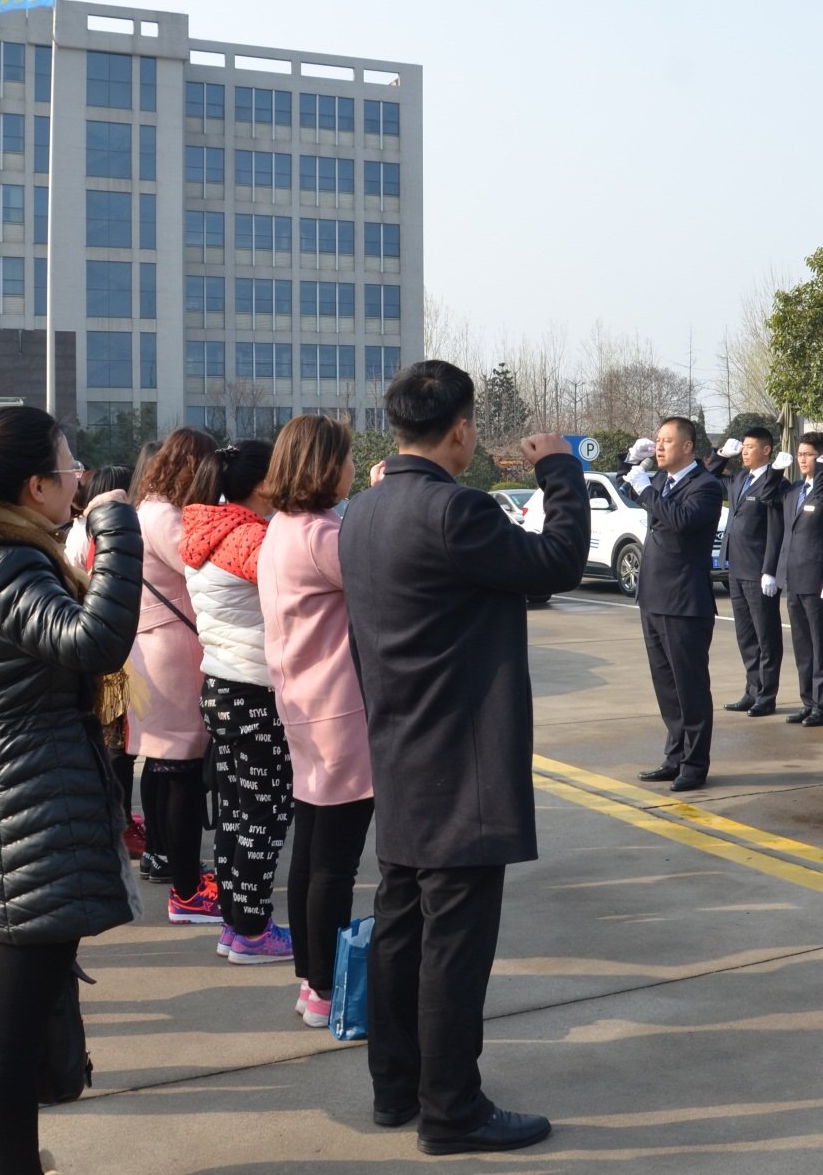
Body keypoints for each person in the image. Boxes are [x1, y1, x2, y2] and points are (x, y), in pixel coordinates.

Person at [340, 360, 588, 1155]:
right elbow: (554, 561)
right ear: (458, 429)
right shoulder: (455, 511)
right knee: (453, 941)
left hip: (401, 743)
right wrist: (558, 467)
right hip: (460, 756)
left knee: (400, 924)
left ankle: (395, 1087)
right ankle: (451, 1109)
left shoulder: (363, 511)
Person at [0, 407, 142, 1175]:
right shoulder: (8, 566)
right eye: (70, 464)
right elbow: (95, 639)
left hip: (11, 816)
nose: (81, 476)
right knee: (6, 1041)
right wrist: (118, 531)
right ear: (35, 485)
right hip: (32, 824)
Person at [258, 416, 376, 1026]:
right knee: (334, 863)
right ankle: (329, 988)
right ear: (325, 468)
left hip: (303, 708)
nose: (354, 467)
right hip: (342, 714)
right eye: (349, 458)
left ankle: (311, 979)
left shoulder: (281, 527)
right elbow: (382, 583)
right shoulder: (323, 536)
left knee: (309, 855)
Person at [182, 440, 296, 964]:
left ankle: (235, 921)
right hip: (255, 693)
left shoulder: (210, 530)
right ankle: (253, 929)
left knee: (233, 811)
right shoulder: (251, 539)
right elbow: (296, 585)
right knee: (262, 815)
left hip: (222, 687)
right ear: (263, 483)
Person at [129, 428, 221, 923]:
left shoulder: (146, 510)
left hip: (152, 648)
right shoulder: (165, 519)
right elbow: (202, 566)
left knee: (165, 769)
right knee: (182, 771)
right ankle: (188, 890)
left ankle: (175, 866)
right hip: (172, 650)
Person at [629, 416, 727, 793]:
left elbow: (681, 521)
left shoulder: (704, 485)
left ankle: (695, 764)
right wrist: (631, 465)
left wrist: (647, 490)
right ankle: (674, 757)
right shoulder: (662, 481)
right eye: (657, 440)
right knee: (667, 687)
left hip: (685, 602)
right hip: (653, 596)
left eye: (666, 441)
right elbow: (636, 484)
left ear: (688, 446)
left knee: (690, 688)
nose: (659, 447)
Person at [68, 464, 140, 853]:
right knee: (116, 745)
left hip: (108, 652)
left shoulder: (81, 533)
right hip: (108, 655)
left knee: (116, 743)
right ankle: (118, 820)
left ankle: (121, 817)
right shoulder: (92, 536)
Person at [777, 433, 823, 726]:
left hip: (818, 580)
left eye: (809, 455)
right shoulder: (794, 492)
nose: (803, 459)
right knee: (803, 646)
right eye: (800, 454)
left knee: (821, 644)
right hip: (795, 579)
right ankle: (807, 701)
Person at [721, 426, 788, 717]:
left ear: (766, 451)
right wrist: (721, 455)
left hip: (759, 570)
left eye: (750, 447)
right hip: (736, 569)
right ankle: (752, 689)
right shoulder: (740, 480)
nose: (745, 452)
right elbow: (710, 477)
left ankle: (767, 694)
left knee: (766, 636)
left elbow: (775, 531)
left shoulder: (775, 484)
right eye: (743, 447)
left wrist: (770, 570)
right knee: (745, 635)